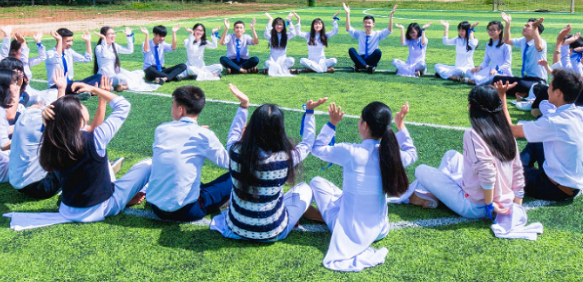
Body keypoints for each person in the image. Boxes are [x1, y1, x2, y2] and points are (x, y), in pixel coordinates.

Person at [5, 80, 152, 229]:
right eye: (81, 105)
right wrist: (95, 89)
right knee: (148, 165)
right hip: (101, 208)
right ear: (77, 116)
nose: (84, 106)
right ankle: (149, 198)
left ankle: (120, 193)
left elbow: (56, 126)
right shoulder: (96, 138)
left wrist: (47, 118)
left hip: (67, 209)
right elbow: (123, 106)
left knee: (100, 160)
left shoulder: (54, 140)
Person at [305, 101, 417, 272]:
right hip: (380, 230)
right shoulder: (391, 155)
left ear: (365, 125)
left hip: (349, 232)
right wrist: (401, 126)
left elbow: (317, 148)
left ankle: (323, 216)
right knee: (343, 194)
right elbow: (412, 154)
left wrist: (332, 124)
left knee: (316, 182)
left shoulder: (351, 152)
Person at [209, 86, 327, 242]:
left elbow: (233, 133)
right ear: (279, 130)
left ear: (252, 127)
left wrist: (244, 105)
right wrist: (310, 113)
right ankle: (314, 216)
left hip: (235, 229)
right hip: (273, 232)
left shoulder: (236, 151)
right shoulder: (286, 157)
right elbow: (307, 143)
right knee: (305, 189)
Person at [406, 85, 524, 223]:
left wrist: (489, 204)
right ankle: (435, 195)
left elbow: (487, 172)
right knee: (451, 156)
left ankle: (434, 196)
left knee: (421, 170)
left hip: (475, 207)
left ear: (472, 107)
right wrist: (517, 205)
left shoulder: (473, 134)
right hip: (499, 199)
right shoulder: (507, 133)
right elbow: (517, 171)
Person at [8, 68, 115, 199]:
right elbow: (93, 130)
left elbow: (59, 113)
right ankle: (98, 180)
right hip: (41, 187)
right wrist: (102, 100)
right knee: (83, 147)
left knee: (61, 145)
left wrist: (61, 89)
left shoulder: (29, 114)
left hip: (16, 182)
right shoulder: (52, 123)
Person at [494, 69, 583, 201]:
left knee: (502, 169)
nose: (547, 89)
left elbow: (510, 129)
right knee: (538, 140)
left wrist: (502, 96)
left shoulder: (554, 122)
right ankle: (521, 167)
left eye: (550, 86)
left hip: (554, 188)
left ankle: (517, 169)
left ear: (558, 92)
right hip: (573, 184)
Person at [147, 86, 236, 222]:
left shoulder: (161, 130)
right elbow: (229, 163)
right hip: (187, 212)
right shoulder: (204, 135)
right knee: (235, 175)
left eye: (173, 105)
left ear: (180, 110)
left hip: (156, 208)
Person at [493, 13, 547, 97]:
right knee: (496, 79)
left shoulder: (541, 42)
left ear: (535, 30)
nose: (524, 27)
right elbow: (507, 40)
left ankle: (523, 91)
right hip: (526, 78)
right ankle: (522, 92)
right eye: (525, 25)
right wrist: (508, 24)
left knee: (522, 84)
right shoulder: (523, 41)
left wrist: (535, 27)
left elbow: (539, 47)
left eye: (528, 26)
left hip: (538, 81)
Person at [93, 26, 159, 92]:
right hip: (106, 76)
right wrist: (104, 40)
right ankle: (124, 86)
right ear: (103, 35)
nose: (113, 36)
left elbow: (130, 50)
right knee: (122, 78)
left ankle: (123, 86)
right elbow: (105, 55)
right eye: (110, 34)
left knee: (140, 72)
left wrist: (129, 36)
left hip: (116, 71)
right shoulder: (99, 47)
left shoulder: (114, 46)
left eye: (114, 33)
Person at [0, 29, 50, 106]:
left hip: (30, 92)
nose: (26, 51)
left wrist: (38, 43)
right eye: (22, 49)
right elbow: (23, 60)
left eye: (26, 49)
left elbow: (42, 57)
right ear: (14, 51)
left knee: (50, 96)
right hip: (19, 94)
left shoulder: (27, 62)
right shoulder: (9, 64)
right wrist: (22, 43)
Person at [344, 3, 397, 74]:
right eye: (365, 23)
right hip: (361, 57)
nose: (367, 25)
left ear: (373, 24)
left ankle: (360, 66)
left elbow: (389, 30)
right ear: (363, 24)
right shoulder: (360, 33)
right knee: (351, 50)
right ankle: (367, 67)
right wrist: (347, 14)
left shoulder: (377, 34)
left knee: (378, 52)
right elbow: (348, 29)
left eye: (369, 23)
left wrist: (391, 15)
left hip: (371, 58)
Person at [45, 28, 101, 93]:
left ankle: (83, 91)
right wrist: (59, 40)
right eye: (68, 41)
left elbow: (87, 59)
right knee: (79, 86)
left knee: (100, 76)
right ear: (59, 40)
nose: (71, 43)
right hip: (56, 86)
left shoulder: (69, 52)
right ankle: (85, 91)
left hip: (70, 84)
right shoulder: (50, 54)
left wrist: (88, 41)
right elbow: (57, 58)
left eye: (72, 40)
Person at [467, 21, 512, 85]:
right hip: (490, 69)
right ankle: (484, 82)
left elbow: (507, 63)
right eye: (489, 30)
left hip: (502, 71)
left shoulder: (506, 45)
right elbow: (486, 61)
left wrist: (496, 69)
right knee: (470, 72)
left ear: (500, 31)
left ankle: (476, 81)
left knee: (495, 77)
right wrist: (479, 67)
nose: (490, 32)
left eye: (493, 30)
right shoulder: (488, 44)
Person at [264, 13, 298, 77]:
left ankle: (276, 69)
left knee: (291, 60)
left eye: (281, 25)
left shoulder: (285, 36)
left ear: (283, 26)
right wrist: (270, 20)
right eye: (277, 24)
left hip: (283, 62)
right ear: (273, 26)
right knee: (267, 63)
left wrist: (289, 21)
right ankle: (280, 69)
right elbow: (266, 33)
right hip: (272, 61)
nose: (279, 26)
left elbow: (293, 33)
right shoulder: (271, 36)